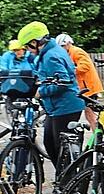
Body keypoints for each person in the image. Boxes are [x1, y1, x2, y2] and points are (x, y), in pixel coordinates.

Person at [16, 22, 85, 173]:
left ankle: (70, 180)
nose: (27, 50)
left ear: (35, 42)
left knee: (60, 149)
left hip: (66, 106)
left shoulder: (51, 56)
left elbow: (63, 82)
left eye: (27, 46)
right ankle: (64, 178)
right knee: (49, 143)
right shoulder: (49, 52)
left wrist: (41, 92)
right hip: (56, 107)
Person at [55, 34, 104, 129]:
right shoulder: (68, 53)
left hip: (88, 87)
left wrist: (70, 70)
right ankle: (96, 133)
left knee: (90, 113)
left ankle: (97, 133)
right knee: (89, 114)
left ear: (68, 43)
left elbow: (85, 66)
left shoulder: (77, 51)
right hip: (83, 88)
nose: (61, 48)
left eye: (62, 46)